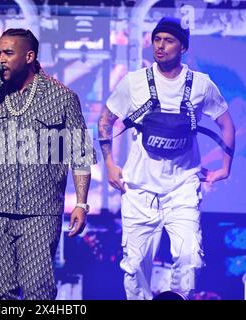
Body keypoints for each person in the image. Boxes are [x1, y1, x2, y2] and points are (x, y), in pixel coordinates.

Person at [98, 17, 235, 300]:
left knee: (188, 259)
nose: (160, 46)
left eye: (168, 40)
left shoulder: (201, 84)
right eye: (157, 39)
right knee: (135, 268)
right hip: (139, 190)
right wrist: (109, 163)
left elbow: (226, 123)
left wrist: (225, 168)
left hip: (182, 187)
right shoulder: (134, 82)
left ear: (182, 46)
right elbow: (106, 119)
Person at [0, 28, 96, 300]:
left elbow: (80, 153)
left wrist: (81, 203)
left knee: (38, 292)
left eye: (8, 53)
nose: (0, 59)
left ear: (29, 56)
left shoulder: (62, 97)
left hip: (40, 213)